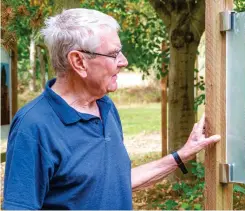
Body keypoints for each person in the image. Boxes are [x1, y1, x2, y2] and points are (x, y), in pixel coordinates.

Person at [2, 8, 220, 210]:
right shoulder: (33, 126)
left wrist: (183, 154)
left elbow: (117, 182)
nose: (123, 61)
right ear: (78, 61)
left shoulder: (105, 106)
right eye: (113, 54)